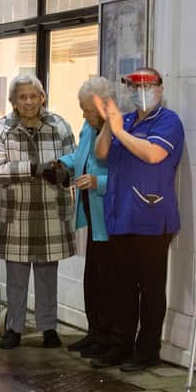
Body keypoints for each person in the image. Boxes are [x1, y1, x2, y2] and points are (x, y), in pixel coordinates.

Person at [92, 67, 184, 371]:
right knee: (122, 288)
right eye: (134, 86)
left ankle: (147, 352)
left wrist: (120, 132)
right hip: (121, 215)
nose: (141, 91)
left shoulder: (169, 121)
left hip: (151, 217)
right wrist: (110, 123)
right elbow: (102, 153)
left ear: (160, 88)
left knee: (151, 289)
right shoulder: (127, 120)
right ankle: (120, 347)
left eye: (147, 85)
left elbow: (153, 155)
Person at [0, 74, 76, 350]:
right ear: (13, 101)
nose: (28, 102)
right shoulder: (1, 128)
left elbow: (73, 160)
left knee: (47, 274)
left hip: (51, 211)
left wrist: (64, 173)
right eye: (22, 97)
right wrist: (34, 168)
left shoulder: (59, 125)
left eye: (33, 96)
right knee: (16, 276)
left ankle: (48, 327)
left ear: (43, 97)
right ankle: (14, 327)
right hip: (16, 213)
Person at [57, 77, 112, 359]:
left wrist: (98, 182)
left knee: (107, 282)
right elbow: (81, 156)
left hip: (110, 216)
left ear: (103, 107)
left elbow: (127, 176)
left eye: (87, 109)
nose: (83, 114)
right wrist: (60, 164)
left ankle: (107, 338)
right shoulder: (89, 128)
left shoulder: (116, 129)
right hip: (91, 211)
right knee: (92, 279)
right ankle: (94, 333)